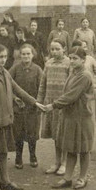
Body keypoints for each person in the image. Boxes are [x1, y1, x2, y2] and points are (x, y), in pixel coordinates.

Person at [0, 45, 43, 190]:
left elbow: (18, 90)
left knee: (3, 151)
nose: (3, 59)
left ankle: (4, 181)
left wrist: (34, 102)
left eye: (5, 57)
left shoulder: (5, 73)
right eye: (0, 57)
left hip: (5, 120)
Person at [43, 46, 95, 190]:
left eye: (75, 58)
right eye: (71, 58)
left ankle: (82, 178)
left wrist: (53, 105)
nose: (72, 61)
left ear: (83, 60)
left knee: (84, 150)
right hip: (70, 116)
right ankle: (67, 178)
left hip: (82, 117)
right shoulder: (73, 72)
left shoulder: (84, 75)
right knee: (71, 148)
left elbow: (71, 95)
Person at [39, 40, 71, 176]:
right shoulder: (48, 63)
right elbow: (43, 83)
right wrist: (39, 100)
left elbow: (71, 84)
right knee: (55, 135)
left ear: (64, 49)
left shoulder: (69, 63)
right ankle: (57, 161)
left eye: (57, 49)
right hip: (50, 103)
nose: (54, 52)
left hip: (63, 104)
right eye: (52, 49)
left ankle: (64, 163)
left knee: (63, 134)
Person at [10, 43, 44, 170]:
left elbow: (41, 87)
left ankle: (32, 155)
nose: (26, 56)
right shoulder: (15, 68)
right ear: (20, 55)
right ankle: (18, 157)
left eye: (28, 54)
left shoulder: (37, 69)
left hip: (32, 108)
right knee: (18, 133)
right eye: (23, 54)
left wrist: (37, 102)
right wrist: (14, 98)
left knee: (32, 133)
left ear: (32, 55)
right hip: (18, 107)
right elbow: (8, 85)